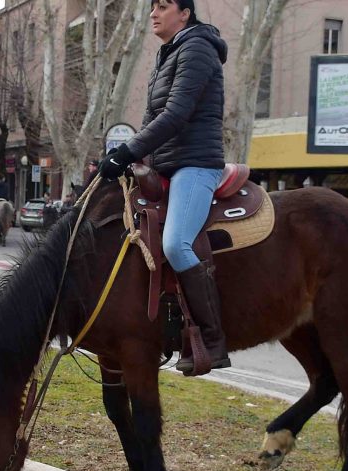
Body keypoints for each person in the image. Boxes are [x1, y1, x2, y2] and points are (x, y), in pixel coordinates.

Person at [100, 0, 230, 375]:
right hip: (165, 165)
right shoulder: (166, 53)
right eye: (152, 7)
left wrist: (127, 151)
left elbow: (176, 114)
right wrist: (130, 159)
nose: (153, 14)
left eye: (162, 6)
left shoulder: (197, 47)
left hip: (196, 165)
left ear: (184, 13)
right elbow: (150, 119)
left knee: (175, 243)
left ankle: (212, 338)